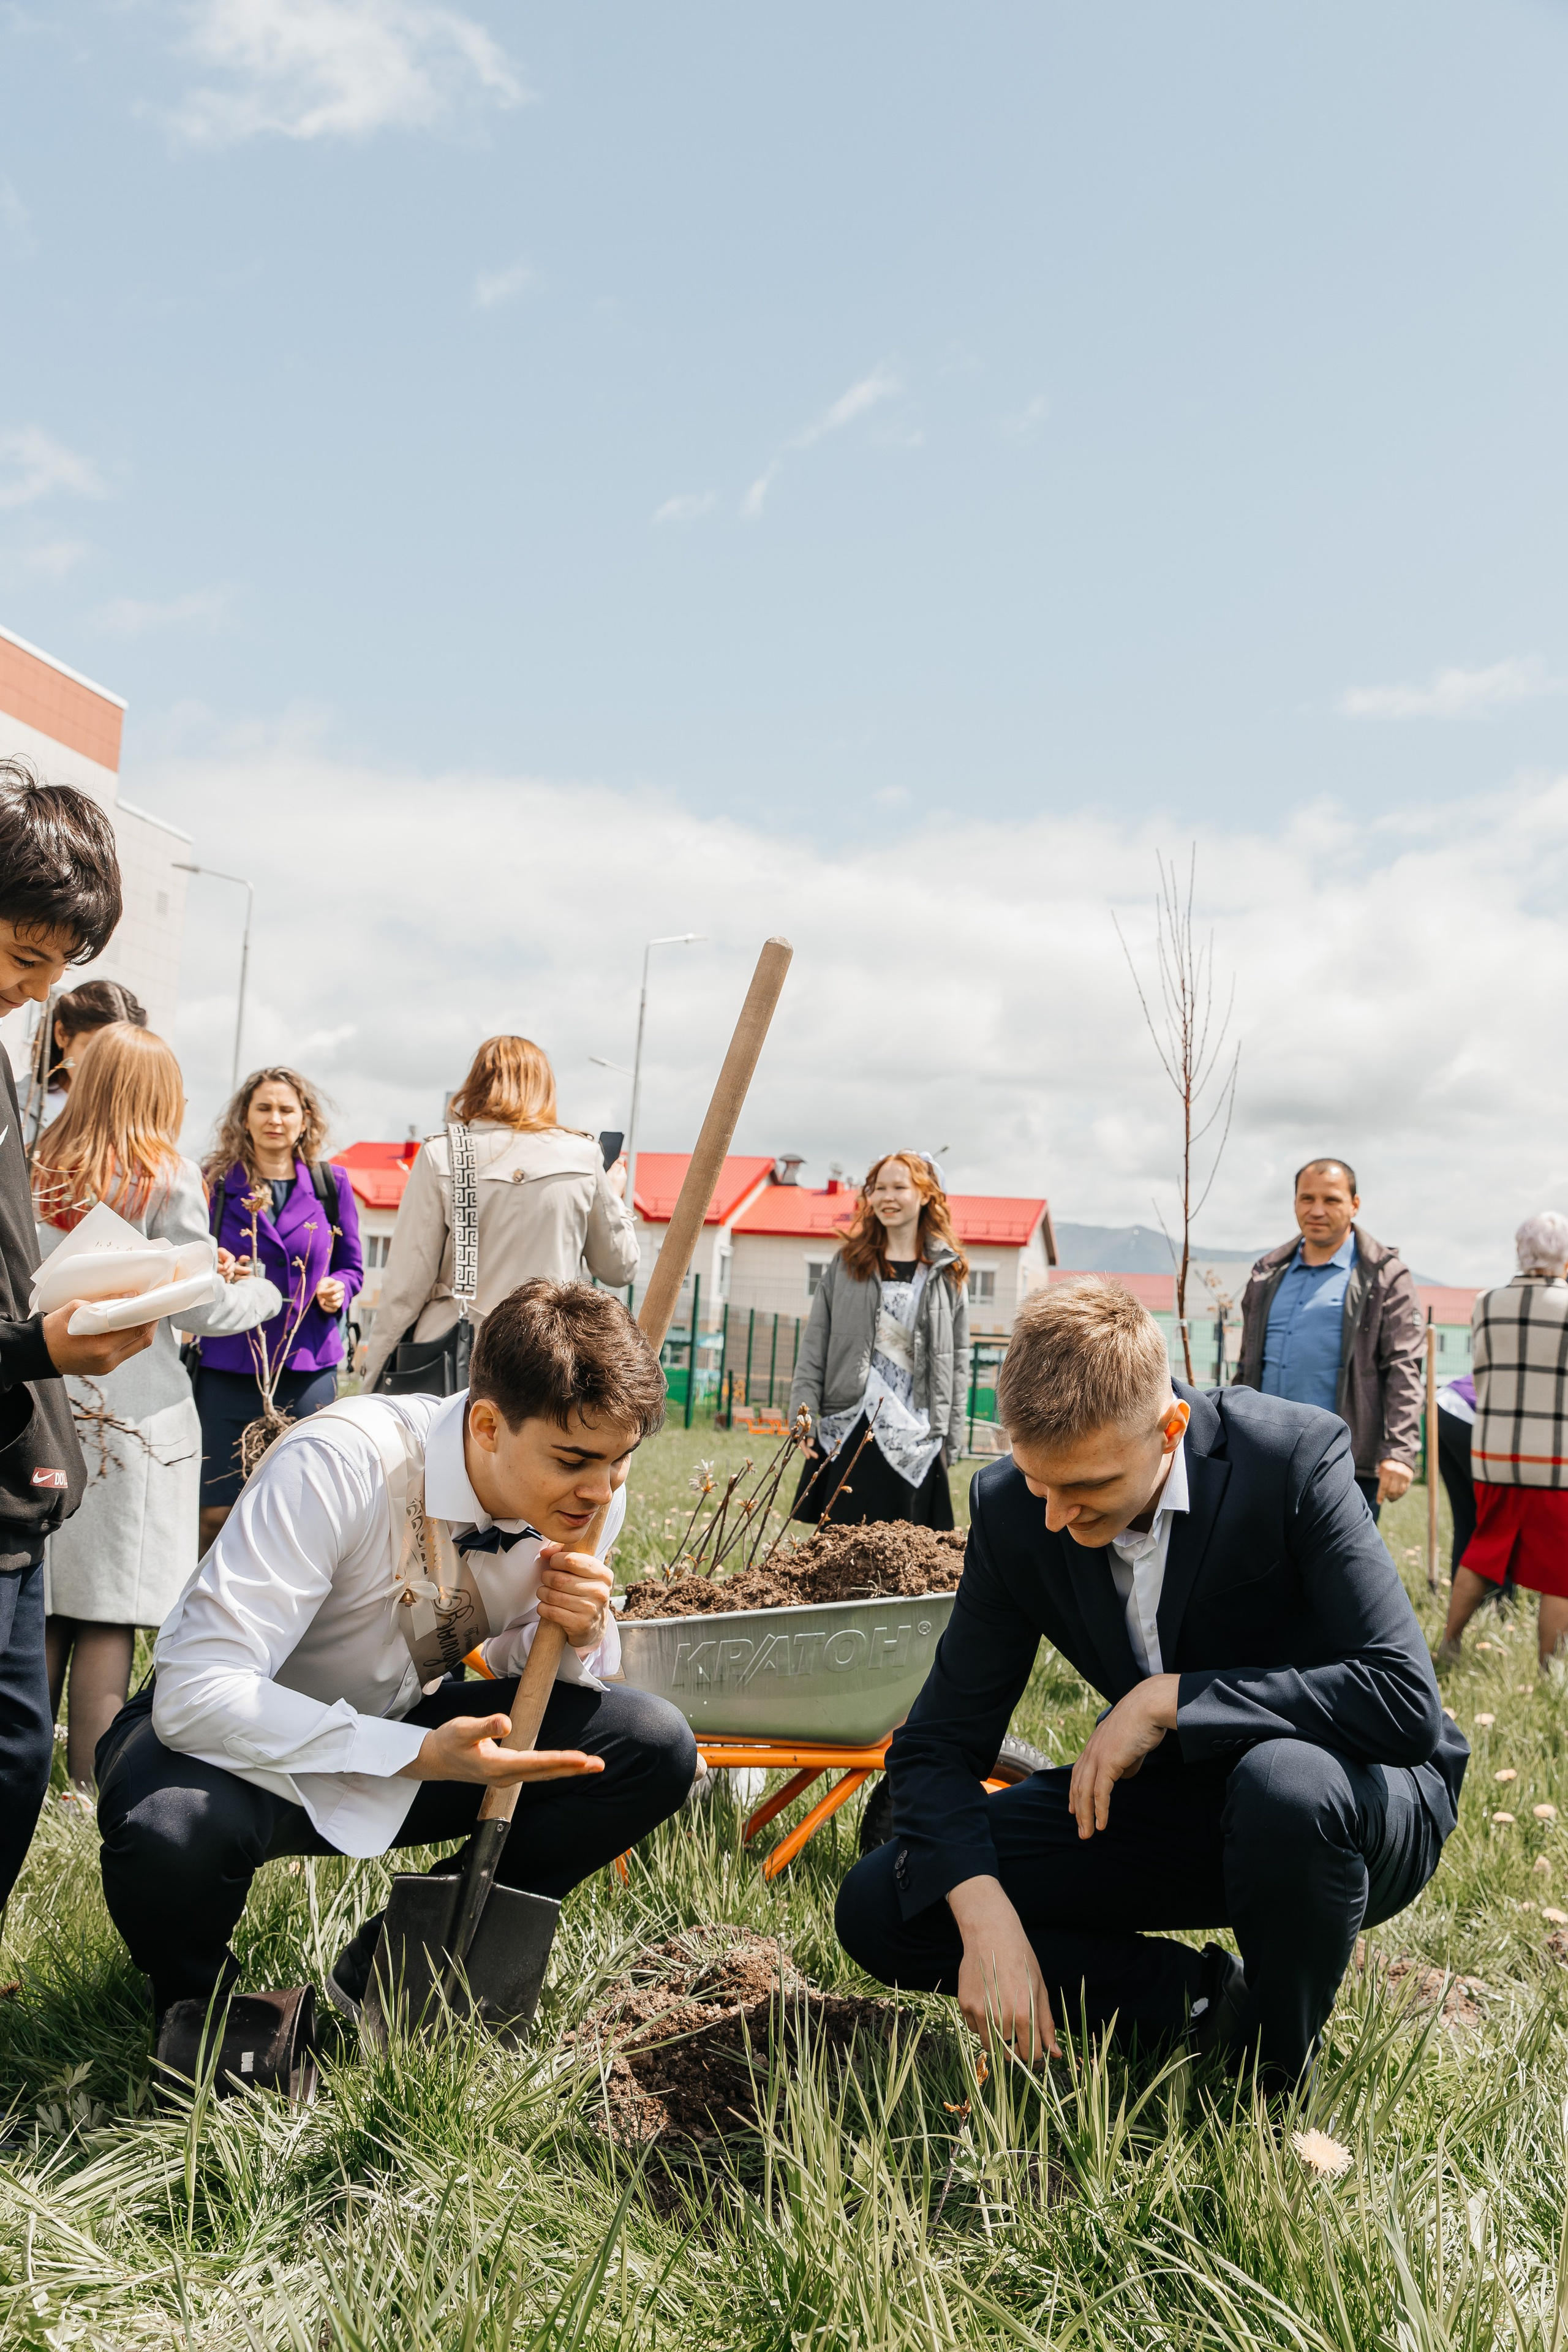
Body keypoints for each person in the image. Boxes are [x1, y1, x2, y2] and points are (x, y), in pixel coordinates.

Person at [835, 1280, 1468, 2089]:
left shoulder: (1290, 1459)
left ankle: (1272, 2079)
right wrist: (985, 1915)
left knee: (1282, 1787)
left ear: (1171, 1428)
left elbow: (1402, 1701)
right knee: (887, 1904)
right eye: (1038, 1482)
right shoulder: (1011, 1509)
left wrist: (1171, 1698)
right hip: (1182, 1803)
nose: (1055, 1517)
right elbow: (935, 1747)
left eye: (1087, 1487)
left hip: (1352, 1802)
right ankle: (1203, 2010)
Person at [95, 1279, 697, 2026]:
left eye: (620, 1462)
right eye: (575, 1460)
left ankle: (394, 1974)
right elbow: (198, 1695)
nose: (601, 1490)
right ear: (487, 1426)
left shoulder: (588, 1494)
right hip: (231, 1748)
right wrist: (416, 1754)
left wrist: (579, 1630)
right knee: (171, 1829)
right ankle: (208, 2016)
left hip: (404, 1726)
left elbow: (528, 1666)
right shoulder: (341, 1461)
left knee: (647, 1746)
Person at [31, 1023, 281, 1789]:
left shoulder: (38, 1162)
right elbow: (196, 1307)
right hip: (137, 1420)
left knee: (44, 1606)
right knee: (110, 1611)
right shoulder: (164, 1176)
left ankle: (21, 1782)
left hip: (45, 1398)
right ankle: (85, 1793)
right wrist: (261, 1292)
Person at [0, 758, 160, 1913]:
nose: (35, 992)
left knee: (17, 1756)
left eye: (57, 968)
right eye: (22, 956)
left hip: (21, 1472)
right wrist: (39, 1351)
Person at [361, 1035, 638, 1393]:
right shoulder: (583, 1156)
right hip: (547, 1357)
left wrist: (373, 1378)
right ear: (546, 1088)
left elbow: (405, 1286)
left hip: (452, 1354)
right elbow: (619, 1268)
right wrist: (614, 1199)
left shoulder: (445, 1153)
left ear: (476, 1083)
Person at [195, 1066, 364, 1553]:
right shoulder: (216, 1184)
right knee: (215, 1512)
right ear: (244, 1118)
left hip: (307, 1366)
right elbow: (192, 1258)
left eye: (286, 1109)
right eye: (264, 1108)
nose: (275, 1119)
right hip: (228, 1365)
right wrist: (217, 1267)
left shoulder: (331, 1184)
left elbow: (353, 1267)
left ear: (304, 1119)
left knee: (300, 1511)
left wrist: (339, 1288)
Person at [1234, 1158, 1423, 1522]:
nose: (1317, 1210)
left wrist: (1400, 1451)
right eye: (1307, 1198)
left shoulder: (1384, 1278)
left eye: (1331, 1200)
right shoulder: (1266, 1274)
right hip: (1263, 1452)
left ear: (1355, 1205)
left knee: (1336, 1559)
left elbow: (1404, 1368)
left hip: (1343, 1460)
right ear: (1295, 1203)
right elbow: (1247, 1363)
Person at [788, 1151, 970, 1528]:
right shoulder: (847, 1264)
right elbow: (814, 1345)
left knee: (909, 1552)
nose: (887, 1197)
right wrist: (801, 1416)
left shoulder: (947, 1273)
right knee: (839, 1549)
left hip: (917, 1432)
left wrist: (952, 1436)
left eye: (899, 1187)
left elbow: (957, 1362)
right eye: (879, 1188)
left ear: (925, 1194)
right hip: (852, 1424)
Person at [1438, 1213, 1568, 1666]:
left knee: (1483, 1550)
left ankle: (1449, 1644)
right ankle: (1550, 1669)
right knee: (1560, 1571)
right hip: (1557, 1460)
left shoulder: (1486, 1302)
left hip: (1495, 1454)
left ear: (1519, 1250)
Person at [32, 977, 146, 1133]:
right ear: (62, 1034)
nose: (106, 1065)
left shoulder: (132, 1124)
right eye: (96, 1049)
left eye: (120, 1055)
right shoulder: (16, 1109)